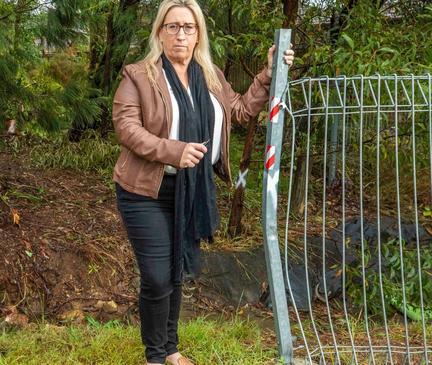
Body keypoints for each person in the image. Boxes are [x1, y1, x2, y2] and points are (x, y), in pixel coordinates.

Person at [112, 1, 294, 364]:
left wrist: (268, 73)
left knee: (175, 273)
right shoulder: (139, 75)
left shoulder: (210, 75)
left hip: (190, 191)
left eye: (188, 27)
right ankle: (154, 355)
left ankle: (171, 349)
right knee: (157, 276)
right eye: (173, 26)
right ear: (160, 32)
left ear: (199, 34)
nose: (181, 34)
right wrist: (173, 151)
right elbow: (127, 128)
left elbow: (240, 110)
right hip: (145, 191)